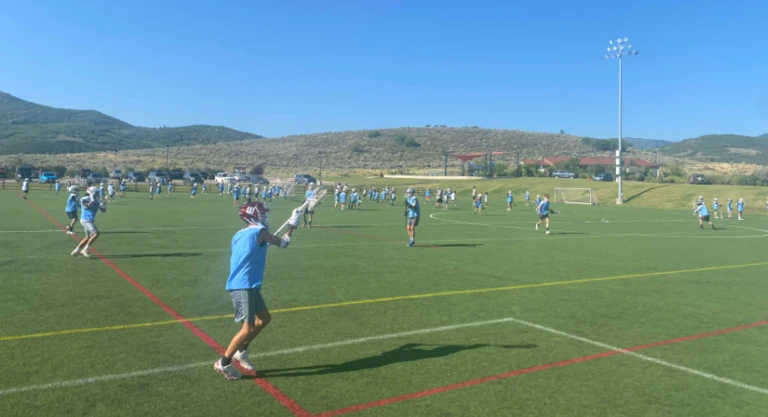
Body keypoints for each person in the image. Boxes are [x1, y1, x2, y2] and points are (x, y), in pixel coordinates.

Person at [213, 201, 299, 380]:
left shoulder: (239, 234)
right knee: (247, 329)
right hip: (243, 285)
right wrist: (292, 224)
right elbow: (283, 243)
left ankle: (241, 352)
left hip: (249, 285)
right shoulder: (260, 232)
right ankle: (224, 362)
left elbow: (250, 251)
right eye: (262, 214)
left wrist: (264, 243)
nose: (265, 217)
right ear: (253, 215)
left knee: (264, 318)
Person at [71, 186, 107, 258]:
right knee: (96, 234)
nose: (98, 194)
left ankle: (76, 250)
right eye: (96, 192)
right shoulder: (84, 199)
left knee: (88, 237)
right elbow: (87, 207)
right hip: (85, 220)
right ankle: (85, 249)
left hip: (90, 220)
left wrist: (103, 206)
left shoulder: (96, 200)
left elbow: (103, 210)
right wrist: (92, 200)